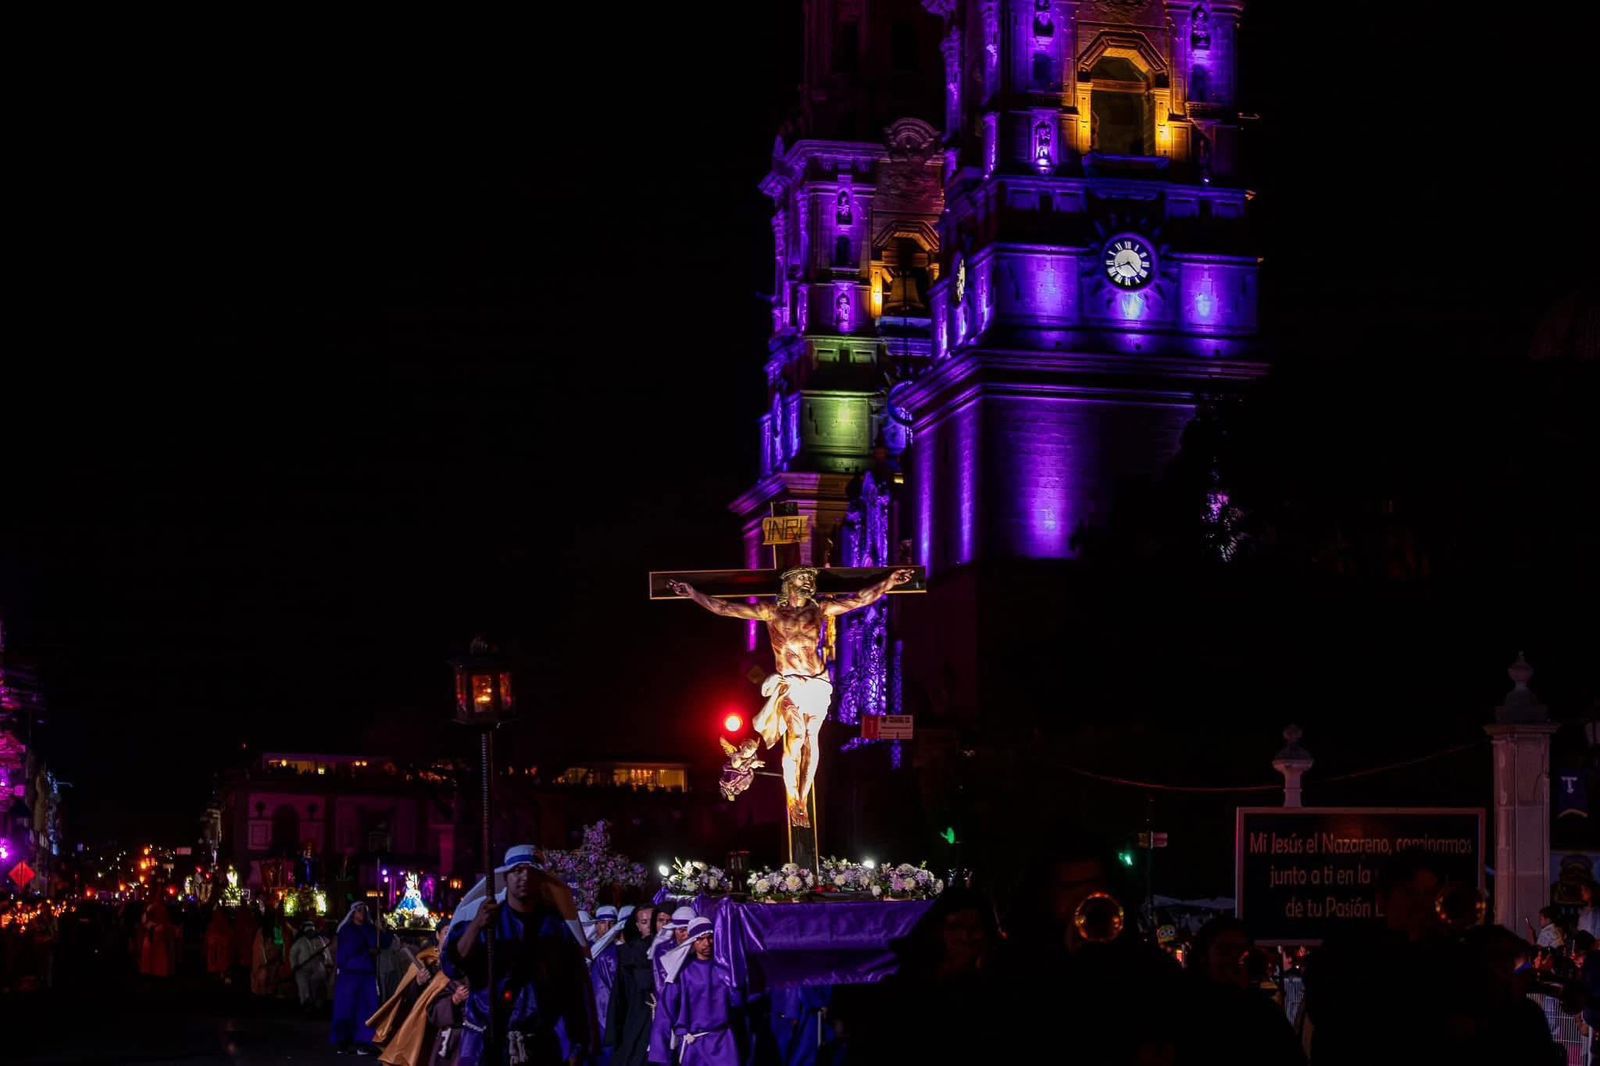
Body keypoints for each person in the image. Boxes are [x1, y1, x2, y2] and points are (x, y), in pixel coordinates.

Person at [668, 566, 915, 826]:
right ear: (788, 582)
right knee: (795, 737)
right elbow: (725, 608)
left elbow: (860, 598)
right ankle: (793, 797)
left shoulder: (819, 609)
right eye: (802, 577)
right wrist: (693, 594)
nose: (809, 581)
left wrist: (889, 582)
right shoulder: (771, 612)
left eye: (810, 578)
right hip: (790, 684)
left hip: (817, 682)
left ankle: (803, 797)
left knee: (811, 738)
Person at [443, 844, 595, 1065]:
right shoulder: (486, 922)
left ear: (540, 879)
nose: (523, 877)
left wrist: (578, 1043)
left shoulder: (555, 928)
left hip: (539, 1046)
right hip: (485, 1045)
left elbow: (572, 988)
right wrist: (477, 925)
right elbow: (453, 966)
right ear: (506, 877)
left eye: (530, 872)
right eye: (516, 871)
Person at [661, 918, 742, 1066]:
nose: (707, 943)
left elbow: (737, 1001)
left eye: (710, 937)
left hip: (724, 1042)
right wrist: (661, 1049)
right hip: (695, 1044)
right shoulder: (683, 972)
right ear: (692, 941)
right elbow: (666, 1010)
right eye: (700, 939)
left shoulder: (724, 968)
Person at [332, 902, 390, 1055]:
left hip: (366, 975)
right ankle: (342, 1041)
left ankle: (363, 1042)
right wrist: (368, 950)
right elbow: (348, 950)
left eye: (364, 910)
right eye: (358, 910)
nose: (361, 913)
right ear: (353, 912)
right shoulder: (346, 930)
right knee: (345, 1008)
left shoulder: (371, 929)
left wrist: (381, 929)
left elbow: (384, 943)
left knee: (367, 1009)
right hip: (349, 974)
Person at [605, 906, 657, 1066]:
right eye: (644, 921)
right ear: (637, 925)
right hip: (635, 1016)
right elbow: (619, 995)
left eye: (653, 921)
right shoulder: (628, 952)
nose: (649, 925)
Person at [290, 920, 332, 1012]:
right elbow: (293, 954)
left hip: (318, 967)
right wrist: (294, 966)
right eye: (308, 931)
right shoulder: (300, 942)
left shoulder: (320, 941)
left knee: (319, 982)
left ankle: (318, 1004)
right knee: (302, 982)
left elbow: (327, 955)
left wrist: (324, 959)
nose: (311, 933)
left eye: (312, 931)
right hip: (303, 969)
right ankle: (306, 1003)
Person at [138, 899, 180, 978]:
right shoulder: (149, 923)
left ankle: (158, 971)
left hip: (159, 942)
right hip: (153, 941)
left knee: (159, 958)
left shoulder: (162, 924)